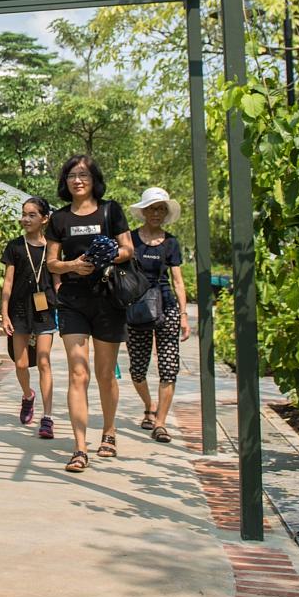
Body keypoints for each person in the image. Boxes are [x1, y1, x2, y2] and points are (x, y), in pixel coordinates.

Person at [47, 155, 133, 471]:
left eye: (83, 174)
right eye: (71, 174)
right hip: (73, 300)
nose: (77, 179)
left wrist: (105, 256)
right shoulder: (58, 218)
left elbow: (128, 249)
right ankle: (80, 448)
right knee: (77, 372)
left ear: (94, 178)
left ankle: (109, 432)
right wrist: (72, 266)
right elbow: (52, 262)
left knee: (104, 373)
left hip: (108, 299)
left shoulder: (111, 210)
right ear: (64, 181)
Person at [126, 187, 191, 444]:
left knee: (168, 367)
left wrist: (184, 315)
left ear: (165, 213)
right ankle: (149, 405)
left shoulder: (171, 243)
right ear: (143, 211)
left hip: (167, 307)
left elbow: (178, 281)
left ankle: (161, 423)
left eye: (161, 208)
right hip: (138, 307)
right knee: (137, 370)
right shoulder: (130, 240)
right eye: (152, 208)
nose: (156, 213)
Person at [0, 196, 58, 439]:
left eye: (32, 215)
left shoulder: (53, 247)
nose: (26, 219)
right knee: (21, 363)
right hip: (20, 310)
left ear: (45, 219)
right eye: (24, 214)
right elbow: (8, 282)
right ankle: (27, 396)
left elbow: (57, 278)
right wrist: (4, 314)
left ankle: (48, 417)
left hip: (44, 310)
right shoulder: (14, 246)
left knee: (44, 362)